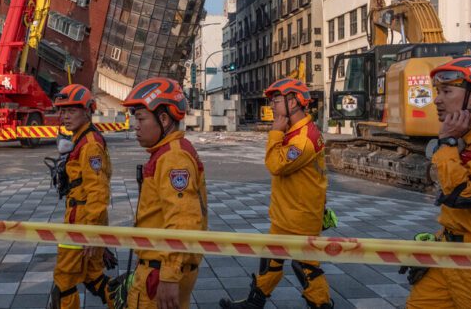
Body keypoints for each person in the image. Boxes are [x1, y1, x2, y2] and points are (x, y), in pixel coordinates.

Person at [221, 78, 331, 309]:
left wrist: (274, 133)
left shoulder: (304, 139)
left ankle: (322, 305)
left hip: (301, 217)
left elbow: (275, 165)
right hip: (286, 214)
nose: (271, 105)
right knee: (270, 261)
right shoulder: (295, 132)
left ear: (294, 102)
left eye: (276, 100)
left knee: (306, 268)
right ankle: (254, 302)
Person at [120, 77, 208, 309]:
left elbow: (183, 221)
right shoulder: (167, 152)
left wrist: (169, 275)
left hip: (160, 271)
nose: (135, 126)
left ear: (164, 119)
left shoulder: (173, 158)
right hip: (162, 267)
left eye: (141, 118)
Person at [405, 57, 471, 308]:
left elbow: (465, 196)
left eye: (446, 91)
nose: (436, 100)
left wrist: (447, 144)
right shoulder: (467, 140)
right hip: (448, 254)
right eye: (437, 91)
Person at [48, 84, 116, 309]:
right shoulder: (81, 139)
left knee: (64, 280)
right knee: (93, 276)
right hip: (85, 219)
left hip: (82, 222)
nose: (65, 116)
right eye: (63, 111)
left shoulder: (90, 145)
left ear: (87, 110)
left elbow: (98, 190)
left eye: (72, 110)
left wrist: (91, 232)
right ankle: (127, 303)